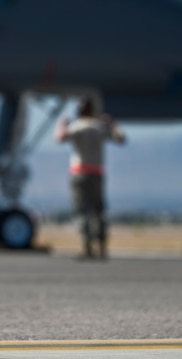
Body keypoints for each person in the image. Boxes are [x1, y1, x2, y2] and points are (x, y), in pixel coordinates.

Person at [55, 96, 126, 260]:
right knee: (98, 211)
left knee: (81, 211)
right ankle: (101, 246)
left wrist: (62, 124)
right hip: (97, 173)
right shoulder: (100, 127)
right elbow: (121, 138)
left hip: (79, 172)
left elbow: (60, 137)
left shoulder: (77, 127)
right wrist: (112, 124)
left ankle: (87, 247)